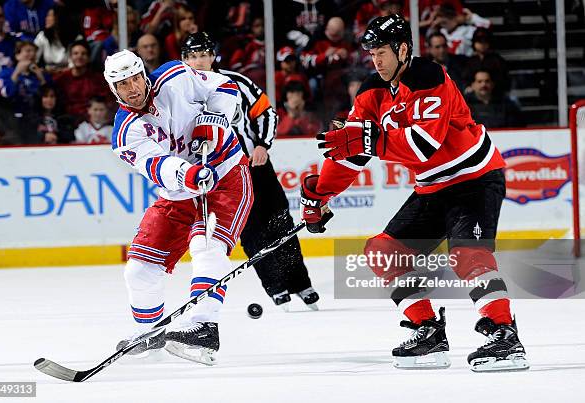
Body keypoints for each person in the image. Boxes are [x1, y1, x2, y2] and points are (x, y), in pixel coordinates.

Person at [300, 15, 529, 372]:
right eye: (371, 53)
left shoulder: (429, 77)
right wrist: (320, 193)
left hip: (474, 178)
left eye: (382, 52)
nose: (376, 60)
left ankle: (505, 336)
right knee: (382, 252)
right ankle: (428, 332)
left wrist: (369, 139)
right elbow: (352, 151)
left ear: (403, 49)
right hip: (433, 188)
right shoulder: (370, 93)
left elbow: (424, 145)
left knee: (468, 255)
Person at [104, 49, 252, 365]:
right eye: (122, 85)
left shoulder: (177, 75)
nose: (132, 89)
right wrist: (188, 173)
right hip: (178, 194)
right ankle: (151, 333)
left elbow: (224, 88)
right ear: (113, 89)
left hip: (226, 177)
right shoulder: (125, 133)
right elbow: (156, 165)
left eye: (134, 79)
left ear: (143, 74)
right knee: (139, 270)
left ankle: (203, 325)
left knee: (206, 246)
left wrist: (215, 121)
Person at [182, 32, 320, 310]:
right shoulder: (180, 94)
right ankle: (276, 288)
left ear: (212, 56)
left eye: (203, 54)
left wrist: (262, 144)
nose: (199, 60)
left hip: (256, 166)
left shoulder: (237, 82)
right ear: (185, 60)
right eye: (193, 56)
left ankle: (301, 283)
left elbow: (266, 112)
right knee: (250, 232)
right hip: (223, 176)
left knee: (280, 222)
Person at [0, 40, 51, 144]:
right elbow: (3, 94)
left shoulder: (41, 75)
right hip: (11, 121)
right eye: (27, 51)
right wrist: (16, 74)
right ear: (17, 55)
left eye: (34, 52)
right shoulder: (6, 73)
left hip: (34, 121)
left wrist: (41, 79)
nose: (31, 54)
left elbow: (49, 98)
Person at [54, 40, 112, 123]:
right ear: (70, 57)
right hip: (67, 122)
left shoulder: (98, 79)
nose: (79, 56)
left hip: (92, 122)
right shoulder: (61, 78)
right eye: (76, 53)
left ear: (88, 58)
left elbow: (106, 101)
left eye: (83, 54)